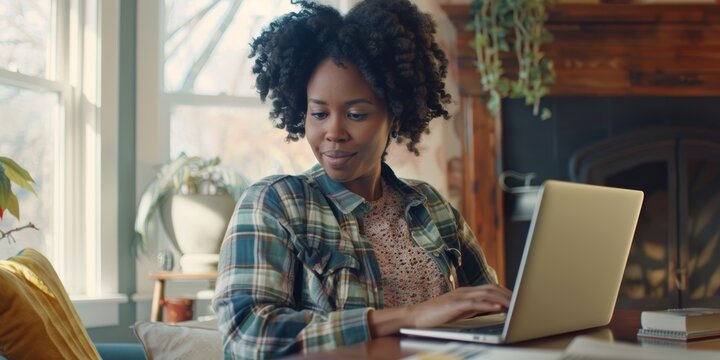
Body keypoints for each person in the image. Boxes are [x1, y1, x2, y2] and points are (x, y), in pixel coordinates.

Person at [212, 0, 511, 358]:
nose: (333, 132)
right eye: (318, 113)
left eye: (356, 114)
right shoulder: (276, 203)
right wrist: (408, 317)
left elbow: (491, 309)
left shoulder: (432, 207)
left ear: (396, 117)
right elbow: (247, 337)